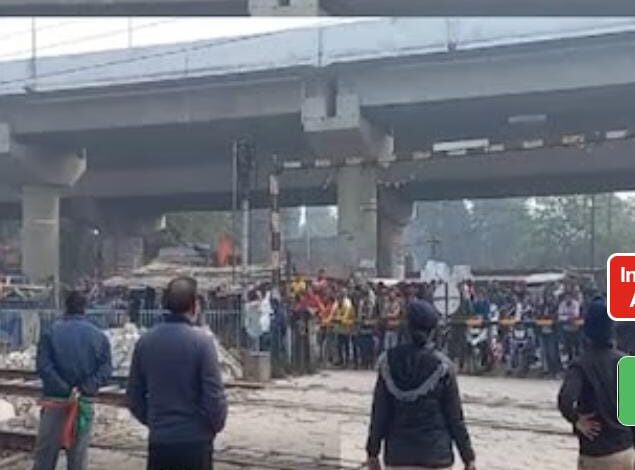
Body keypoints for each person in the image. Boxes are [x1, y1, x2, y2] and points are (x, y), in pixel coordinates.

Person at [127, 276, 227, 470]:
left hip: (160, 442)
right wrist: (211, 427)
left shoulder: (145, 342)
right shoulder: (202, 343)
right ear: (194, 305)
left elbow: (133, 397)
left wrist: (155, 421)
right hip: (195, 443)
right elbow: (214, 396)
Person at [366, 300, 476, 470]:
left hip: (398, 456)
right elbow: (455, 418)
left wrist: (372, 452)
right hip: (436, 456)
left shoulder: (388, 362)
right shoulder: (443, 366)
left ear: (406, 327)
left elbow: (380, 414)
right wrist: (468, 457)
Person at [33, 291, 113, 470]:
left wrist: (63, 388)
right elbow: (106, 368)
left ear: (65, 307)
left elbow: (43, 366)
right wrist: (86, 386)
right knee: (78, 457)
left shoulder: (50, 333)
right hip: (83, 404)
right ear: (85, 308)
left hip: (55, 401)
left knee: (45, 457)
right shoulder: (98, 336)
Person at [558, 296, 634, 470]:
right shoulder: (626, 362)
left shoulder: (580, 364)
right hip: (625, 451)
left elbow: (565, 399)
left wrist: (577, 420)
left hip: (596, 453)